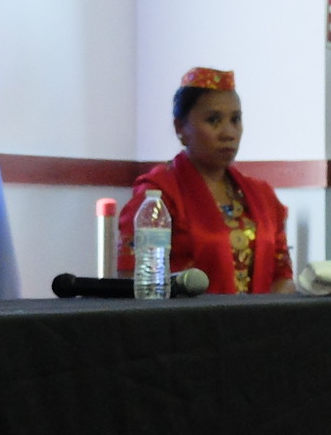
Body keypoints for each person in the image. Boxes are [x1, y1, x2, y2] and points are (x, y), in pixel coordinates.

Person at [117, 68, 293, 294]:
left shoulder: (262, 195)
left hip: (261, 324)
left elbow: (283, 275)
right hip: (186, 325)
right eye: (214, 120)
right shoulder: (157, 194)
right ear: (180, 128)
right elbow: (134, 281)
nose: (229, 132)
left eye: (235, 119)